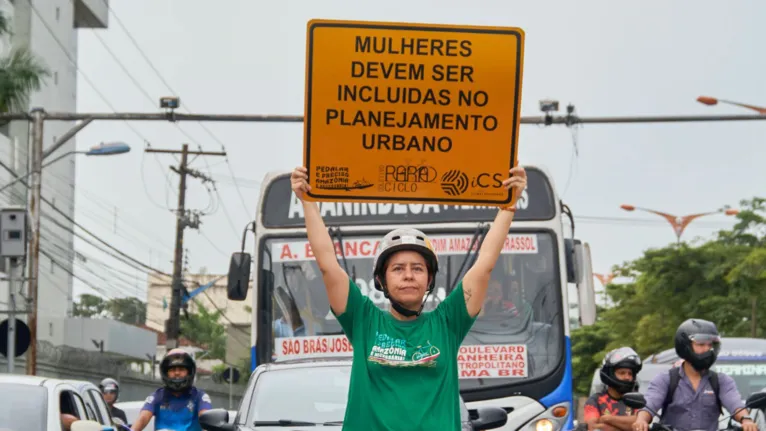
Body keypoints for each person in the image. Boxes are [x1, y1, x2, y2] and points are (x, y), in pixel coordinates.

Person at [290, 164, 528, 431]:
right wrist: (308, 201)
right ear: (381, 280)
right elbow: (327, 264)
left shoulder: (448, 322)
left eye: (417, 268)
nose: (408, 275)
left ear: (429, 280)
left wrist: (509, 204)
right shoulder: (363, 319)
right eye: (398, 269)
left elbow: (484, 264)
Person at [632, 318, 758, 431]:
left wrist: (746, 420)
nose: (707, 349)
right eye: (701, 344)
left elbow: (735, 404)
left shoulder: (722, 381)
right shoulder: (665, 379)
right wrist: (641, 420)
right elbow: (650, 404)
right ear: (684, 346)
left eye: (711, 345)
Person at [131, 348, 213, 431]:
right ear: (165, 373)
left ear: (189, 372)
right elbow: (143, 418)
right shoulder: (157, 397)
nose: (177, 373)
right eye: (172, 370)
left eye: (181, 369)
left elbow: (206, 420)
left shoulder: (200, 397)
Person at [584, 347, 643, 431]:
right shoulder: (595, 400)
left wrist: (607, 419)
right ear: (610, 374)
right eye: (622, 373)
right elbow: (593, 427)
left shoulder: (636, 400)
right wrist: (627, 426)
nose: (627, 377)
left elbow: (641, 423)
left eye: (630, 374)